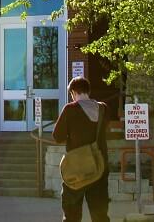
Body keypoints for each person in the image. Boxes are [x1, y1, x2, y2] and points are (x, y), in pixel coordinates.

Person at [52, 77, 109, 222]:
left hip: (76, 170)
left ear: (73, 92)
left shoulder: (70, 109)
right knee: (100, 215)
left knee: (71, 215)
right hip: (99, 167)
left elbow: (57, 136)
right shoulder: (103, 108)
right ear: (88, 91)